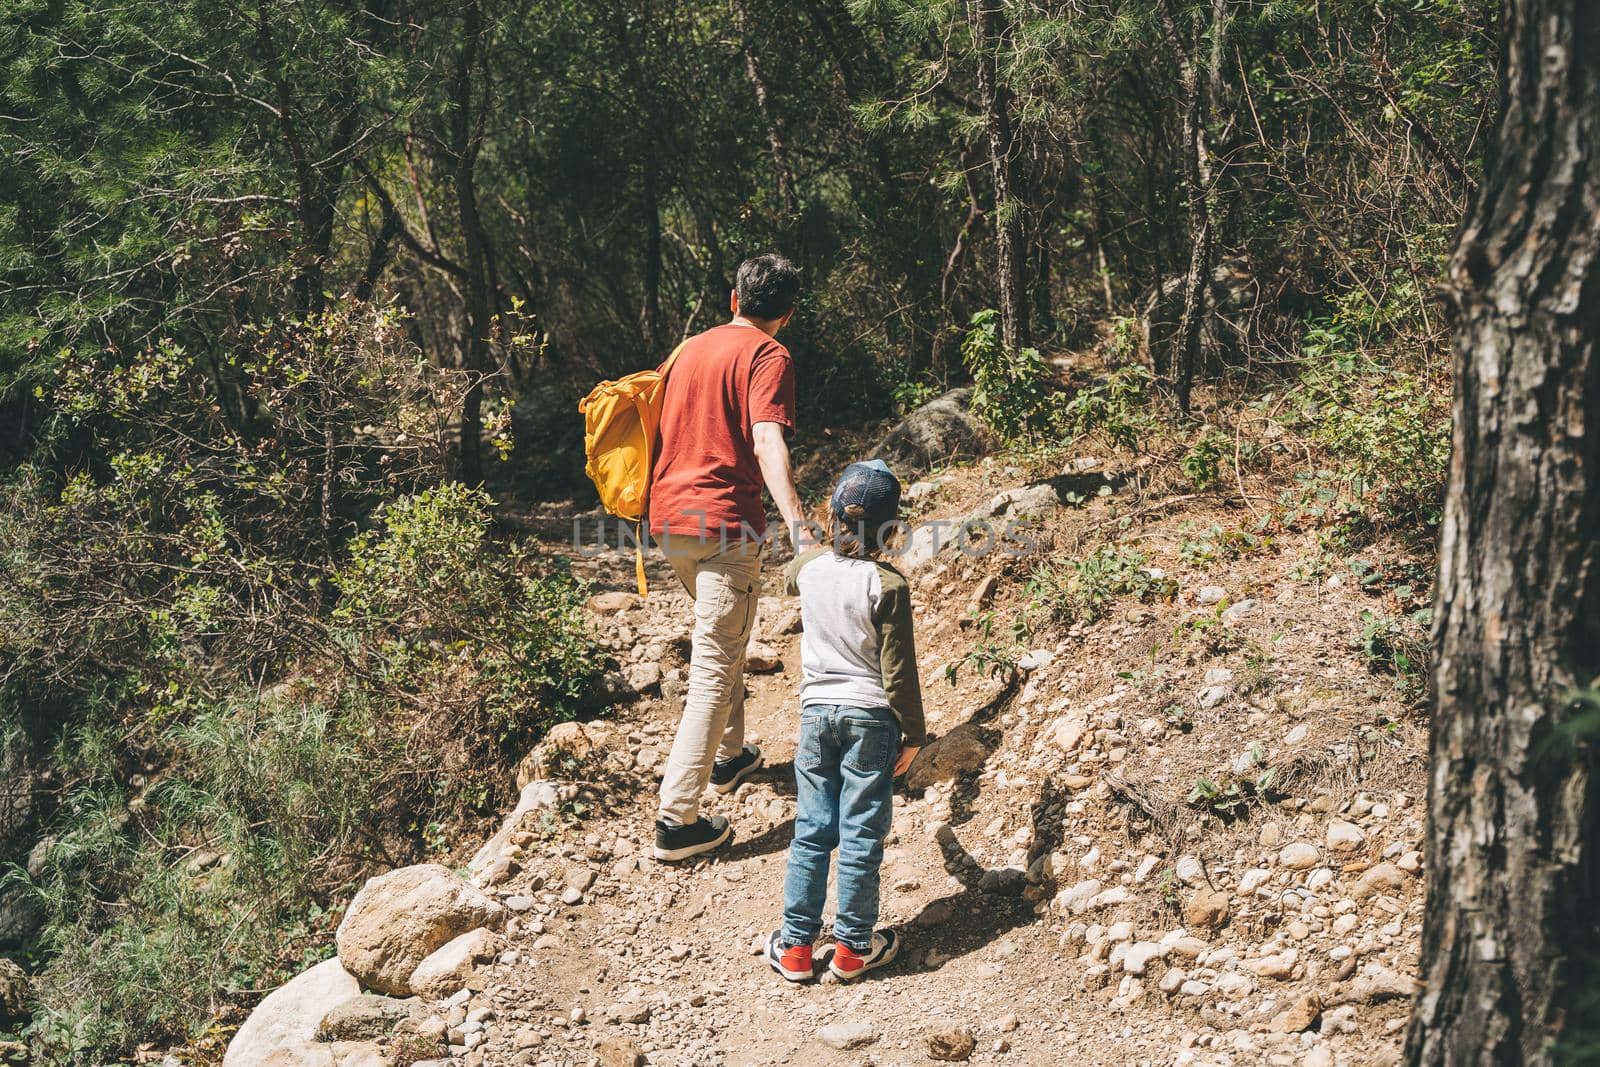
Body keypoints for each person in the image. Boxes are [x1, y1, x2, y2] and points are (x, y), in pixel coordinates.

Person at [649, 253, 811, 862]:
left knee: (726, 636)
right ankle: (677, 819)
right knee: (715, 664)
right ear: (787, 314)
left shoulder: (688, 349)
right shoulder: (770, 355)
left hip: (669, 521)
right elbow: (766, 436)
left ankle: (732, 757)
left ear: (734, 298)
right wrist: (799, 526)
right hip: (724, 524)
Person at [766, 460, 925, 982]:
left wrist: (813, 539)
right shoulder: (889, 584)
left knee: (811, 829)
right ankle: (853, 948)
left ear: (829, 517)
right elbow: (898, 671)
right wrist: (914, 735)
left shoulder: (807, 569)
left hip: (816, 717)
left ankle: (794, 946)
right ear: (892, 532)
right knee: (860, 834)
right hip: (871, 719)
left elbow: (796, 567)